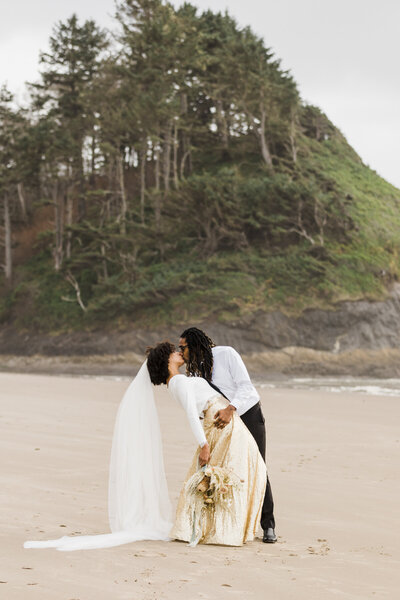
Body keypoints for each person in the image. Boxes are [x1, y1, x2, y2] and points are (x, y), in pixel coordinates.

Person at [24, 342, 265, 551]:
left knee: (224, 476)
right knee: (238, 472)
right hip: (219, 423)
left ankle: (213, 529)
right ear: (166, 359)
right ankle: (219, 530)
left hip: (217, 422)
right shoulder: (179, 381)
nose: (179, 353)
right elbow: (192, 415)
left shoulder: (178, 382)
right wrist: (203, 444)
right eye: (174, 351)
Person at [179, 327, 277, 544]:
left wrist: (230, 409)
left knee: (259, 466)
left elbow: (246, 387)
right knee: (224, 469)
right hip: (223, 423)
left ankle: (268, 525)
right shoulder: (195, 372)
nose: (181, 352)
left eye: (183, 347)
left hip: (247, 414)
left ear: (195, 345)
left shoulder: (227, 354)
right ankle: (225, 526)